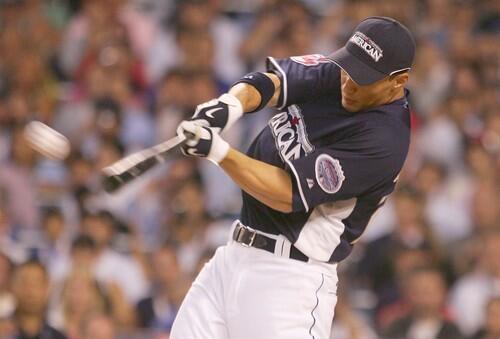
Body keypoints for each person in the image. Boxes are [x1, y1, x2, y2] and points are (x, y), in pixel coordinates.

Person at [171, 16, 416, 339]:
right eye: (348, 68)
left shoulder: (384, 140)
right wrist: (229, 104)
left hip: (288, 281)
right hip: (232, 256)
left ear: (398, 81)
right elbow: (270, 82)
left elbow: (286, 194)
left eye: (363, 78)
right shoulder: (345, 72)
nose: (348, 82)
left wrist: (218, 151)